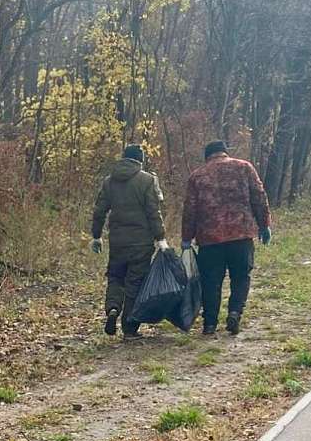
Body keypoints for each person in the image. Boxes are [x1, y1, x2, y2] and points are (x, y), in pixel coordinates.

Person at [181, 140, 272, 336]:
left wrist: (186, 238)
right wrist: (264, 225)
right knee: (241, 277)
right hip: (241, 235)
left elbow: (190, 210)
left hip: (209, 239)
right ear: (225, 152)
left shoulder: (197, 176)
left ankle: (210, 324)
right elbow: (259, 197)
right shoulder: (244, 167)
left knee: (210, 282)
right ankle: (234, 312)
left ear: (207, 156)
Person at [91, 144, 169, 338]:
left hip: (117, 241)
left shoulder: (109, 181)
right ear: (140, 160)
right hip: (141, 243)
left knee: (116, 277)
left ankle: (112, 308)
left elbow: (99, 211)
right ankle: (129, 328)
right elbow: (153, 212)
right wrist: (160, 238)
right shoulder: (147, 180)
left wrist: (96, 236)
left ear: (124, 158)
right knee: (135, 282)